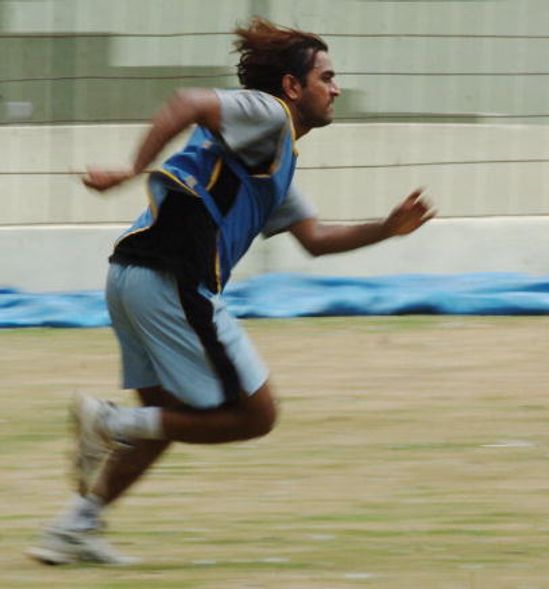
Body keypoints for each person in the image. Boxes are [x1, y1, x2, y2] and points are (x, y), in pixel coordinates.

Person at [27, 17, 434, 566]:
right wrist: (131, 168)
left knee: (171, 416)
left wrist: (387, 228)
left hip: (130, 275)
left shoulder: (273, 156)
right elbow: (187, 102)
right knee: (254, 415)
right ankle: (110, 422)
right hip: (173, 278)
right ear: (292, 87)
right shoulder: (269, 113)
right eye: (327, 77)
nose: (336, 89)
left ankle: (75, 527)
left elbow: (315, 239)